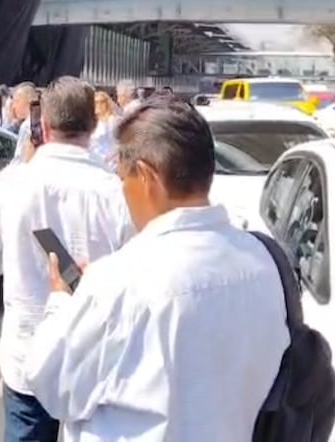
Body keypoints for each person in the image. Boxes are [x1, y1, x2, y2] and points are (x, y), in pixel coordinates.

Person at [24, 96, 289, 441]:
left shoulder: (121, 279)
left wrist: (61, 300)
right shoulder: (263, 261)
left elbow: (52, 383)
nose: (122, 190)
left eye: (122, 178)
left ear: (147, 177)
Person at [0, 76, 133, 442]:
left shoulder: (11, 184)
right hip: (96, 359)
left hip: (27, 354)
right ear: (94, 125)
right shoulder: (116, 193)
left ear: (44, 126)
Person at [89, 91, 120, 168]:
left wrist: (110, 157)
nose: (99, 105)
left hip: (108, 162)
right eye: (96, 102)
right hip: (93, 160)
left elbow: (118, 142)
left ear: (107, 103)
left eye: (102, 102)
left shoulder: (112, 120)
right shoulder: (92, 121)